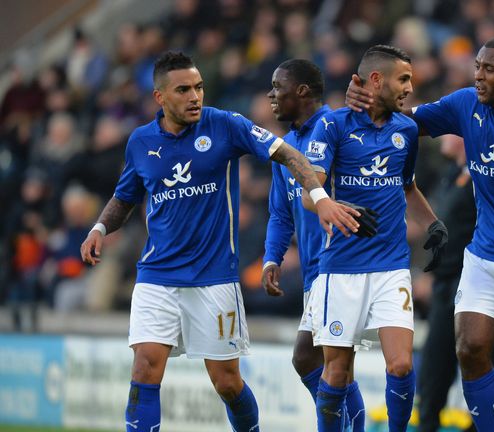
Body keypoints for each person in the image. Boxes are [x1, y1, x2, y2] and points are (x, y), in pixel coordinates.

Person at [79, 51, 364, 432]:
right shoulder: (140, 142)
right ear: (160, 97)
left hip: (214, 278)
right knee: (146, 366)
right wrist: (99, 227)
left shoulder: (226, 125)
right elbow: (125, 196)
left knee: (227, 382)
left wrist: (321, 197)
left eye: (198, 87)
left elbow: (289, 154)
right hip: (157, 275)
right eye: (183, 89)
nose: (195, 96)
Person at [348, 36, 494, 432]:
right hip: (484, 257)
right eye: (477, 67)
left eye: (489, 69)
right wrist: (373, 99)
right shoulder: (466, 104)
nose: (479, 77)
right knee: (470, 349)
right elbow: (408, 121)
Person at [303, 45, 448, 432]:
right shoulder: (333, 126)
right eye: (403, 79)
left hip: (391, 266)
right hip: (342, 269)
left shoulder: (406, 130)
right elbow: (309, 191)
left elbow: (407, 186)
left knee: (401, 364)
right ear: (377, 80)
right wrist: (332, 207)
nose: (409, 87)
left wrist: (433, 224)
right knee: (336, 370)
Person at [261, 58, 370, 431]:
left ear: (302, 91)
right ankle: (353, 425)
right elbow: (280, 213)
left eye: (277, 87)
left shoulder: (336, 125)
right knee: (322, 364)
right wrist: (272, 258)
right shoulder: (285, 149)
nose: (271, 95)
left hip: (341, 265)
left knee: (312, 359)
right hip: (313, 271)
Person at [417, 134, 478, 432]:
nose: (440, 135)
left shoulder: (481, 177)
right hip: (444, 283)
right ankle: (428, 424)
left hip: (468, 283)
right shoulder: (451, 175)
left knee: (470, 360)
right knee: (434, 367)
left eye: (449, 130)